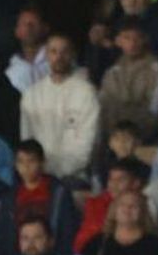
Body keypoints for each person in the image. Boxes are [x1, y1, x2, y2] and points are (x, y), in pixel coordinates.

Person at [19, 34, 100, 182]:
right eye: (53, 51)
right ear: (46, 55)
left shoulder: (86, 92)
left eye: (64, 51)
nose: (59, 57)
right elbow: (27, 140)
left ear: (73, 55)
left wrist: (59, 171)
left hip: (75, 176)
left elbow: (88, 143)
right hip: (38, 176)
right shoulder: (31, 94)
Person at [0, 139, 80, 255]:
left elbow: (66, 230)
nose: (26, 167)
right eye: (21, 162)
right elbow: (0, 235)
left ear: (42, 163)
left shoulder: (58, 193)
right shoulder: (9, 197)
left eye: (31, 161)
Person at [96, 20, 158, 144]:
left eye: (137, 38)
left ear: (145, 39)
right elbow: (103, 100)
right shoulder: (113, 70)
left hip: (140, 131)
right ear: (119, 41)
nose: (132, 43)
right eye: (127, 38)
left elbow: (156, 108)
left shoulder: (155, 68)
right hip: (111, 132)